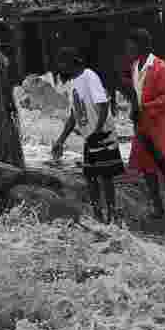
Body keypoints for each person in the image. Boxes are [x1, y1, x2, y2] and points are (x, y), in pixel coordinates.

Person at [51, 48, 124, 223]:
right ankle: (98, 215)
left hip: (102, 135)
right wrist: (60, 140)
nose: (60, 68)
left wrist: (96, 131)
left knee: (106, 178)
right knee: (90, 177)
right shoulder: (73, 83)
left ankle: (112, 216)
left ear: (70, 62)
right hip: (90, 137)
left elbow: (103, 105)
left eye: (62, 64)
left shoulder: (89, 76)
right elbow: (73, 115)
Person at [120, 29, 165, 220]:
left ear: (140, 46)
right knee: (147, 167)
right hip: (144, 124)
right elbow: (137, 93)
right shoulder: (135, 65)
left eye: (130, 44)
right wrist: (135, 107)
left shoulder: (162, 67)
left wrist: (143, 107)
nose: (127, 48)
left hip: (161, 125)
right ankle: (158, 207)